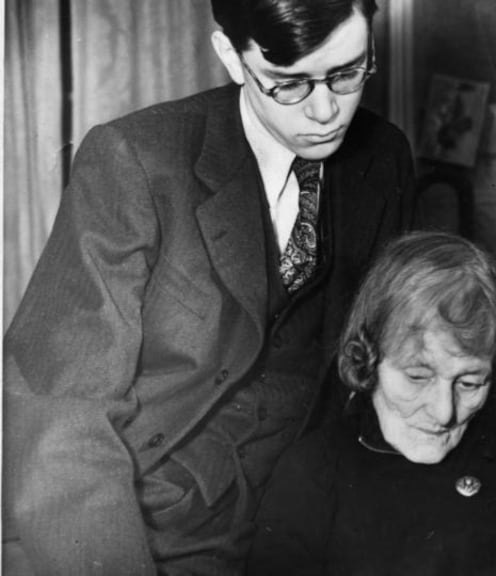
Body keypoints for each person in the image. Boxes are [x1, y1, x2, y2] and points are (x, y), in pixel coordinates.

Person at [2, 0, 416, 573]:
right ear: (230, 56)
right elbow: (62, 408)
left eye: (347, 73)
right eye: (288, 84)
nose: (326, 111)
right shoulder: (136, 160)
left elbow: (382, 354)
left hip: (298, 515)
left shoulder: (384, 155)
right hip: (143, 516)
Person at [246, 231, 496, 575]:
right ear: (368, 358)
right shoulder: (313, 474)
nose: (444, 412)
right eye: (417, 377)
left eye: (470, 383)